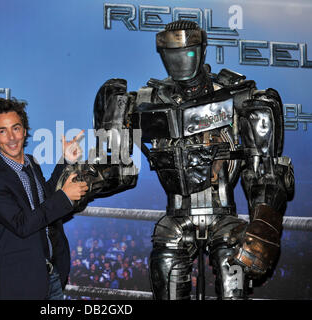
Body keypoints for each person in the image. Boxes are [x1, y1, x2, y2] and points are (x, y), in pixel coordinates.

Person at [63, 20, 294, 299]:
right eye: (173, 54)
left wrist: (264, 228)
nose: (181, 61)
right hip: (176, 218)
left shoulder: (237, 96)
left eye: (188, 52)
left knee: (230, 264)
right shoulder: (146, 101)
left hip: (223, 215)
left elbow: (265, 173)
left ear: (201, 50)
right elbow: (116, 167)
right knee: (166, 263)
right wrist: (79, 184)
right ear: (162, 54)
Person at [0, 98, 88, 299]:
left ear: (25, 130)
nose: (11, 137)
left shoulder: (31, 163)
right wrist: (64, 197)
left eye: (16, 128)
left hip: (51, 276)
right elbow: (22, 224)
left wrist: (66, 161)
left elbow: (45, 199)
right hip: (18, 283)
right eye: (2, 131)